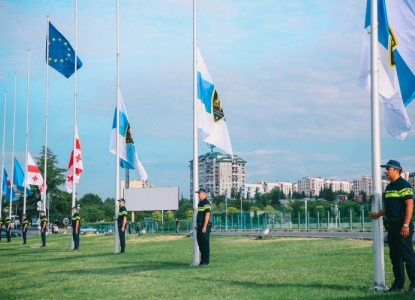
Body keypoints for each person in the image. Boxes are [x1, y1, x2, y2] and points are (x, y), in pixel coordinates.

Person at [369, 160, 415, 293]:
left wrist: (405, 225)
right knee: (395, 256)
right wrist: (377, 214)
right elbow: (390, 206)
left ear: (396, 170)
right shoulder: (389, 187)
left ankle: (414, 284)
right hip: (392, 225)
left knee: (407, 255)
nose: (385, 171)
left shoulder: (403, 185)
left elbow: (409, 205)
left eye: (388, 169)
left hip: (402, 224)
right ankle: (398, 285)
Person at [194, 188, 212, 266]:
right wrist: (198, 225)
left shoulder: (206, 203)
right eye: (198, 193)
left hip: (204, 226)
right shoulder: (200, 203)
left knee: (204, 244)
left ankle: (205, 261)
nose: (198, 195)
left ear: (204, 194)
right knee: (200, 244)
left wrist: (204, 226)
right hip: (200, 226)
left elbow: (207, 215)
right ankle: (202, 261)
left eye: (199, 193)